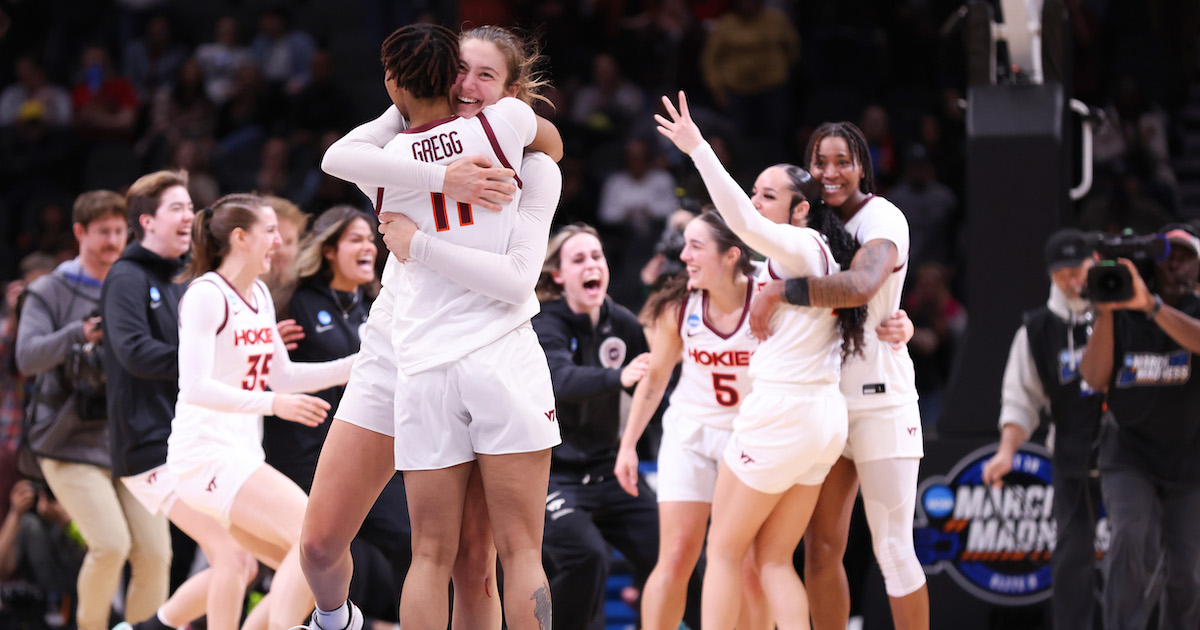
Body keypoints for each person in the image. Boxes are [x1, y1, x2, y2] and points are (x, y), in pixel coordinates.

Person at [301, 23, 562, 630]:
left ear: (513, 88)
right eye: (459, 71)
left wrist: (415, 242)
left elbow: (338, 157)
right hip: (467, 354)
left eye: (485, 75)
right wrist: (448, 177)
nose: (467, 85)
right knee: (516, 551)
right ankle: (331, 616)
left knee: (443, 557)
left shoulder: (387, 162)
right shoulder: (513, 138)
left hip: (428, 363)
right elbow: (547, 143)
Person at [657, 91, 866, 628]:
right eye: (754, 192)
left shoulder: (799, 245)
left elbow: (741, 226)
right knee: (770, 559)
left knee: (723, 553)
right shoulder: (804, 253)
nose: (754, 202)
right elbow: (730, 242)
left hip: (783, 413)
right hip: (820, 419)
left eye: (767, 195)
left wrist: (699, 149)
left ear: (801, 209)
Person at [750, 120, 929, 630]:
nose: (830, 172)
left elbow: (863, 284)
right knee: (821, 546)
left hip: (881, 399)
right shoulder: (806, 222)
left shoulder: (883, 217)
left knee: (893, 547)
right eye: (820, 162)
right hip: (823, 403)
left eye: (842, 161)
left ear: (862, 167)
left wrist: (781, 293)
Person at [169, 193, 356, 630]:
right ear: (240, 238)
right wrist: (274, 405)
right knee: (314, 540)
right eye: (270, 231)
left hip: (241, 455)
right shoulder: (206, 294)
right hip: (205, 454)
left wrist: (355, 367)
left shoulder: (259, 295)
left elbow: (283, 376)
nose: (280, 242)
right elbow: (194, 387)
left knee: (315, 568)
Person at [104, 171, 259, 630]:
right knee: (231, 557)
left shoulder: (186, 282)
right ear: (146, 221)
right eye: (176, 208)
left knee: (242, 563)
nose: (189, 216)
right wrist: (207, 360)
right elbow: (134, 352)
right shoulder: (126, 277)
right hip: (149, 445)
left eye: (191, 208)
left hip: (188, 441)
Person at [15, 190, 170, 630]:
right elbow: (26, 359)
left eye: (120, 231)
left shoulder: (136, 283)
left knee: (157, 554)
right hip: (66, 442)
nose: (113, 240)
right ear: (80, 232)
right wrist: (78, 334)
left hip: (128, 440)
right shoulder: (49, 289)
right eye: (103, 232)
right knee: (110, 545)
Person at [262, 205, 408, 625]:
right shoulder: (294, 303)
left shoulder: (373, 306)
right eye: (355, 239)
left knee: (409, 539)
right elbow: (268, 373)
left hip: (364, 450)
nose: (368, 247)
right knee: (324, 557)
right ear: (328, 250)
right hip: (303, 456)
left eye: (370, 239)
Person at [531, 224, 660, 630]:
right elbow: (560, 380)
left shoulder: (621, 322)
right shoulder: (545, 323)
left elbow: (655, 382)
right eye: (579, 259)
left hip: (610, 469)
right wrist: (617, 378)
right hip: (555, 476)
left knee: (675, 555)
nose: (592, 265)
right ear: (558, 275)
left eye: (597, 256)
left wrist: (635, 446)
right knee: (588, 557)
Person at [980, 227, 1104, 630]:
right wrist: (1006, 451)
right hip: (1072, 451)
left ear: (1095, 263)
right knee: (1071, 554)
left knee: (1135, 545)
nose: (1072, 280)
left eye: (1078, 269)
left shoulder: (1121, 310)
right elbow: (1021, 398)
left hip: (1132, 449)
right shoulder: (1036, 329)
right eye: (1062, 272)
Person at [1079, 225, 1200, 630]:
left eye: (1185, 255)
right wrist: (1108, 311)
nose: (1176, 262)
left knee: (1189, 575)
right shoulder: (1126, 308)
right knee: (1130, 538)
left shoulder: (1185, 309)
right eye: (1169, 255)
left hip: (1191, 459)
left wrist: (1152, 307)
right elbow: (1095, 378)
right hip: (1130, 453)